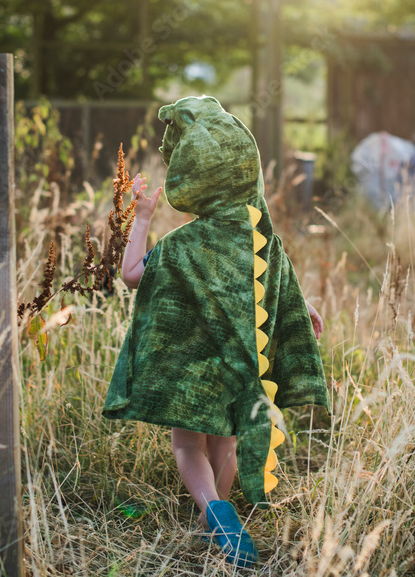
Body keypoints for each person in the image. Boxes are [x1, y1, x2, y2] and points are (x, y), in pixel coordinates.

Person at [103, 96, 330, 568]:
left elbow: (128, 274)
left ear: (195, 179)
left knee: (188, 445)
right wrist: (301, 305)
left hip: (193, 367)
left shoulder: (181, 245)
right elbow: (279, 280)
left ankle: (214, 513)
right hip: (238, 362)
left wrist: (142, 216)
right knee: (224, 441)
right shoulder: (260, 238)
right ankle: (222, 529)